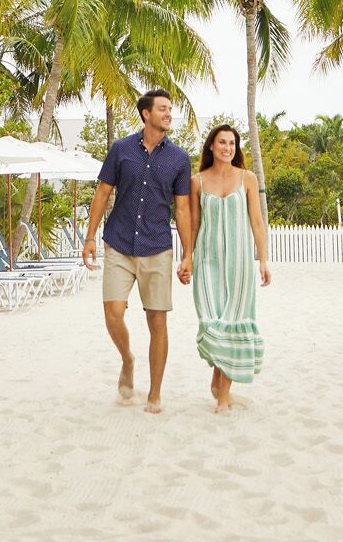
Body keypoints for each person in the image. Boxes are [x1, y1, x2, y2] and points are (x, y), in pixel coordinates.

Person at [82, 88, 195, 413]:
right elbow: (103, 194)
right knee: (113, 314)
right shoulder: (120, 150)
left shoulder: (179, 159)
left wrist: (187, 254)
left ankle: (155, 393)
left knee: (157, 321)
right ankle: (128, 359)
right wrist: (90, 237)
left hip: (157, 247)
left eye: (170, 109)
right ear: (146, 114)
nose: (168, 114)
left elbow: (183, 210)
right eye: (163, 109)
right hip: (118, 243)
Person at [179, 122, 269, 412]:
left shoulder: (248, 179)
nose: (227, 148)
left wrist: (264, 260)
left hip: (240, 262)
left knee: (232, 320)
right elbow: (193, 223)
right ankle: (219, 377)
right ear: (211, 146)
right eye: (222, 143)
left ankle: (222, 396)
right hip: (207, 259)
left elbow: (257, 221)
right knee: (209, 319)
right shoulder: (198, 181)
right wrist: (187, 257)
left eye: (232, 143)